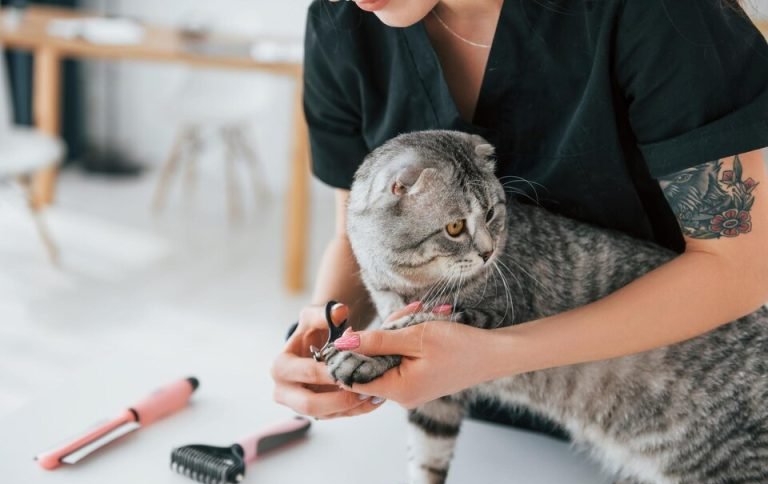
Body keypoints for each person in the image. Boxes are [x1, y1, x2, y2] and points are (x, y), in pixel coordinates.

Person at [271, 0, 768, 428]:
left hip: (683, 406)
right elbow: (354, 240)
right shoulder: (339, 21)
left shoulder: (657, 13)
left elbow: (736, 268)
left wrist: (494, 356)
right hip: (474, 415)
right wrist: (325, 341)